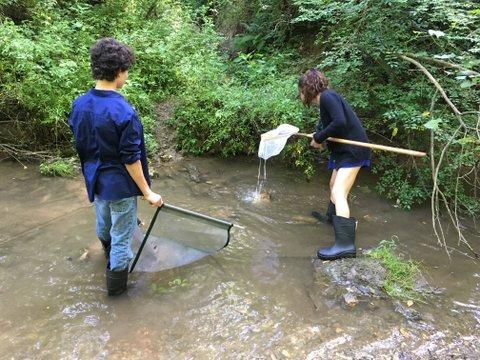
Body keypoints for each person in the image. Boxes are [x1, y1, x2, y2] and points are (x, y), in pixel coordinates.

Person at [68, 38, 163, 296]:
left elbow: (83, 140)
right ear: (119, 71)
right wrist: (147, 192)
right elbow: (130, 158)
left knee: (103, 223)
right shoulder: (124, 111)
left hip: (95, 181)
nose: (126, 75)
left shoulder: (79, 104)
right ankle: (118, 296)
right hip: (120, 186)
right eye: (126, 70)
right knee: (123, 238)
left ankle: (106, 258)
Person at [298, 68, 371, 260]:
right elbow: (325, 126)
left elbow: (339, 123)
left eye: (300, 90)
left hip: (353, 151)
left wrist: (319, 137)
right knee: (332, 186)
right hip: (342, 152)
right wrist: (318, 138)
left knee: (339, 192)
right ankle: (332, 220)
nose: (300, 95)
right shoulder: (325, 101)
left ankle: (345, 246)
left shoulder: (328, 97)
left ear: (307, 88)